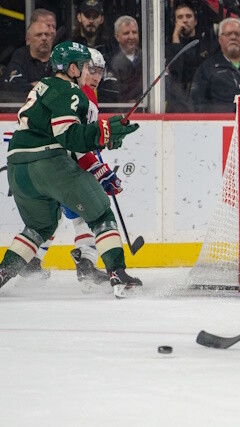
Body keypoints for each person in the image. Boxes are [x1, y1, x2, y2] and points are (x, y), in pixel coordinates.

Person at [0, 42, 142, 298]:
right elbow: (68, 138)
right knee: (100, 213)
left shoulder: (43, 86)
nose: (90, 72)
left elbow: (74, 144)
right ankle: (117, 274)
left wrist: (100, 155)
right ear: (73, 68)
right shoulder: (71, 92)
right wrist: (105, 132)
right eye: (86, 66)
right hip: (48, 162)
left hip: (18, 168)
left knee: (38, 228)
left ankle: (2, 273)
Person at [17, 47, 118, 287]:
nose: (95, 76)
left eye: (100, 71)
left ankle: (34, 259)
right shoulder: (81, 94)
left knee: (55, 212)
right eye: (90, 70)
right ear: (79, 69)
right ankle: (86, 262)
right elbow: (79, 139)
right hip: (64, 162)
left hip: (47, 162)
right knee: (88, 212)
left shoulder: (62, 88)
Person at [191, 18, 240, 112]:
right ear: (220, 39)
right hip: (220, 122)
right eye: (228, 34)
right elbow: (197, 103)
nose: (233, 37)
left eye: (237, 34)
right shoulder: (207, 68)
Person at [166, 0, 216, 112]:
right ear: (175, 22)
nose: (185, 20)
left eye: (188, 16)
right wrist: (175, 37)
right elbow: (176, 71)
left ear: (195, 21)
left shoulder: (207, 46)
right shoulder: (169, 48)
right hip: (178, 102)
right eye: (180, 17)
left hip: (201, 100)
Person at [3, 21, 55, 101]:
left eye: (47, 35)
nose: (44, 38)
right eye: (39, 35)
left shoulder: (59, 57)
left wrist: (35, 85)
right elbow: (13, 85)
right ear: (28, 39)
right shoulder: (20, 56)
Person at [109, 15, 143, 103]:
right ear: (117, 37)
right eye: (126, 33)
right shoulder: (110, 60)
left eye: (134, 32)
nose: (131, 37)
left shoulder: (146, 58)